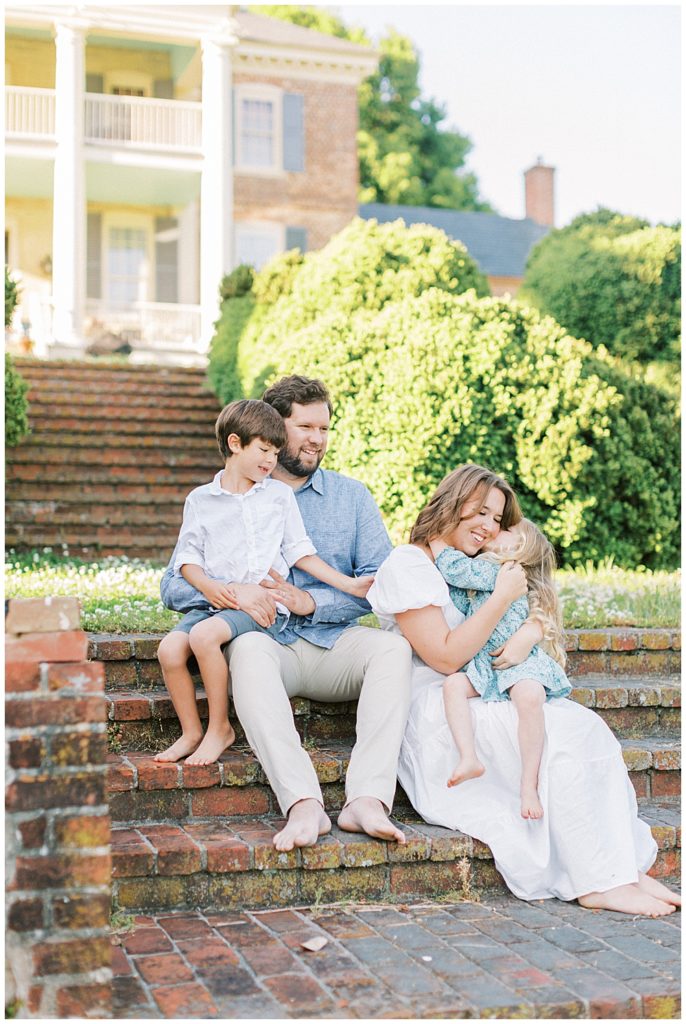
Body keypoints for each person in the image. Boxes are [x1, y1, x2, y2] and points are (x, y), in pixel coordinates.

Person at [367, 463, 680, 916]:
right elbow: (444, 657)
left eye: (496, 519)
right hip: (444, 698)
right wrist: (500, 598)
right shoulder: (410, 563)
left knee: (584, 728)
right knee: (564, 737)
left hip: (488, 683)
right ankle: (595, 882)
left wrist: (530, 627)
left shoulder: (478, 566)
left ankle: (619, 868)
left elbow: (532, 609)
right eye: (479, 512)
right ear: (452, 505)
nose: (489, 526)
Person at [211, 375, 414, 853]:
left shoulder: (352, 498)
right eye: (305, 427)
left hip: (332, 646)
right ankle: (303, 804)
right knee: (246, 650)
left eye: (324, 429)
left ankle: (367, 800)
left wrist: (313, 602)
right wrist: (236, 592)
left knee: (393, 649)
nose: (317, 440)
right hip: (267, 644)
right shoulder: (224, 496)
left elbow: (379, 585)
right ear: (272, 426)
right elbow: (175, 582)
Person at [155, 398, 373, 767]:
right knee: (169, 651)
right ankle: (191, 731)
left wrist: (348, 585)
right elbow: (187, 561)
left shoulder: (278, 496)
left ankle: (219, 729)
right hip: (217, 600)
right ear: (235, 444)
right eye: (265, 451)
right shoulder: (201, 499)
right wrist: (210, 589)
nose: (271, 462)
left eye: (275, 452)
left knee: (203, 637)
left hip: (262, 607)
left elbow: (301, 552)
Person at [431, 518, 571, 819]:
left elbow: (456, 569)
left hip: (519, 663)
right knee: (453, 685)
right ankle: (469, 757)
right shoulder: (488, 567)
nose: (496, 529)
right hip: (485, 661)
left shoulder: (502, 570)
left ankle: (528, 786)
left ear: (520, 548)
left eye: (507, 529)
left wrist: (436, 541)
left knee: (530, 695)